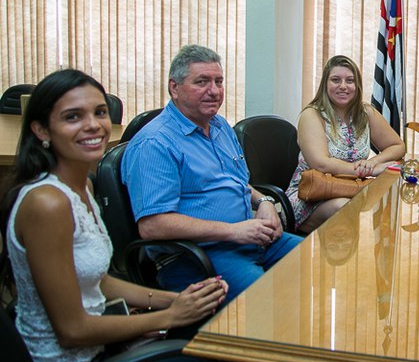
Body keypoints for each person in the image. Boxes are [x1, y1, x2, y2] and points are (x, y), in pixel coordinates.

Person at [0, 69, 228, 362]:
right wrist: (168, 317)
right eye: (72, 117)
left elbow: (99, 282)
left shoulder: (83, 188)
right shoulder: (47, 204)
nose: (93, 125)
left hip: (97, 347)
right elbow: (72, 330)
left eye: (100, 112)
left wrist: (174, 299)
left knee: (216, 333)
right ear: (41, 130)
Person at [122, 45, 302, 303]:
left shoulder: (218, 126)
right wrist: (233, 231)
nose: (214, 91)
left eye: (219, 81)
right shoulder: (155, 144)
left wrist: (263, 202)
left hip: (250, 239)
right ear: (174, 88)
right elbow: (153, 226)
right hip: (200, 255)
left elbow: (236, 183)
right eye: (202, 82)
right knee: (269, 303)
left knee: (318, 263)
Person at [286, 55, 405, 233]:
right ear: (325, 84)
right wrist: (368, 171)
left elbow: (398, 146)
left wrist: (373, 162)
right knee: (346, 207)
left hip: (351, 189)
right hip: (311, 194)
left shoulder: (366, 113)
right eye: (336, 80)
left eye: (350, 81)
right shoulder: (311, 115)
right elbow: (321, 163)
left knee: (384, 202)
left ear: (357, 86)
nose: (343, 86)